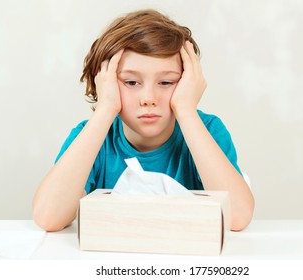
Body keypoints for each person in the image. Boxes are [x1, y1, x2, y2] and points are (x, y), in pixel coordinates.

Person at [32, 9, 254, 232]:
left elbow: (237, 218)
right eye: (131, 82)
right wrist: (105, 108)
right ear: (104, 83)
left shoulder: (207, 130)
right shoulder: (92, 137)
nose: (149, 99)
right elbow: (49, 217)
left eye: (166, 82)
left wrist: (186, 111)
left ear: (189, 82)